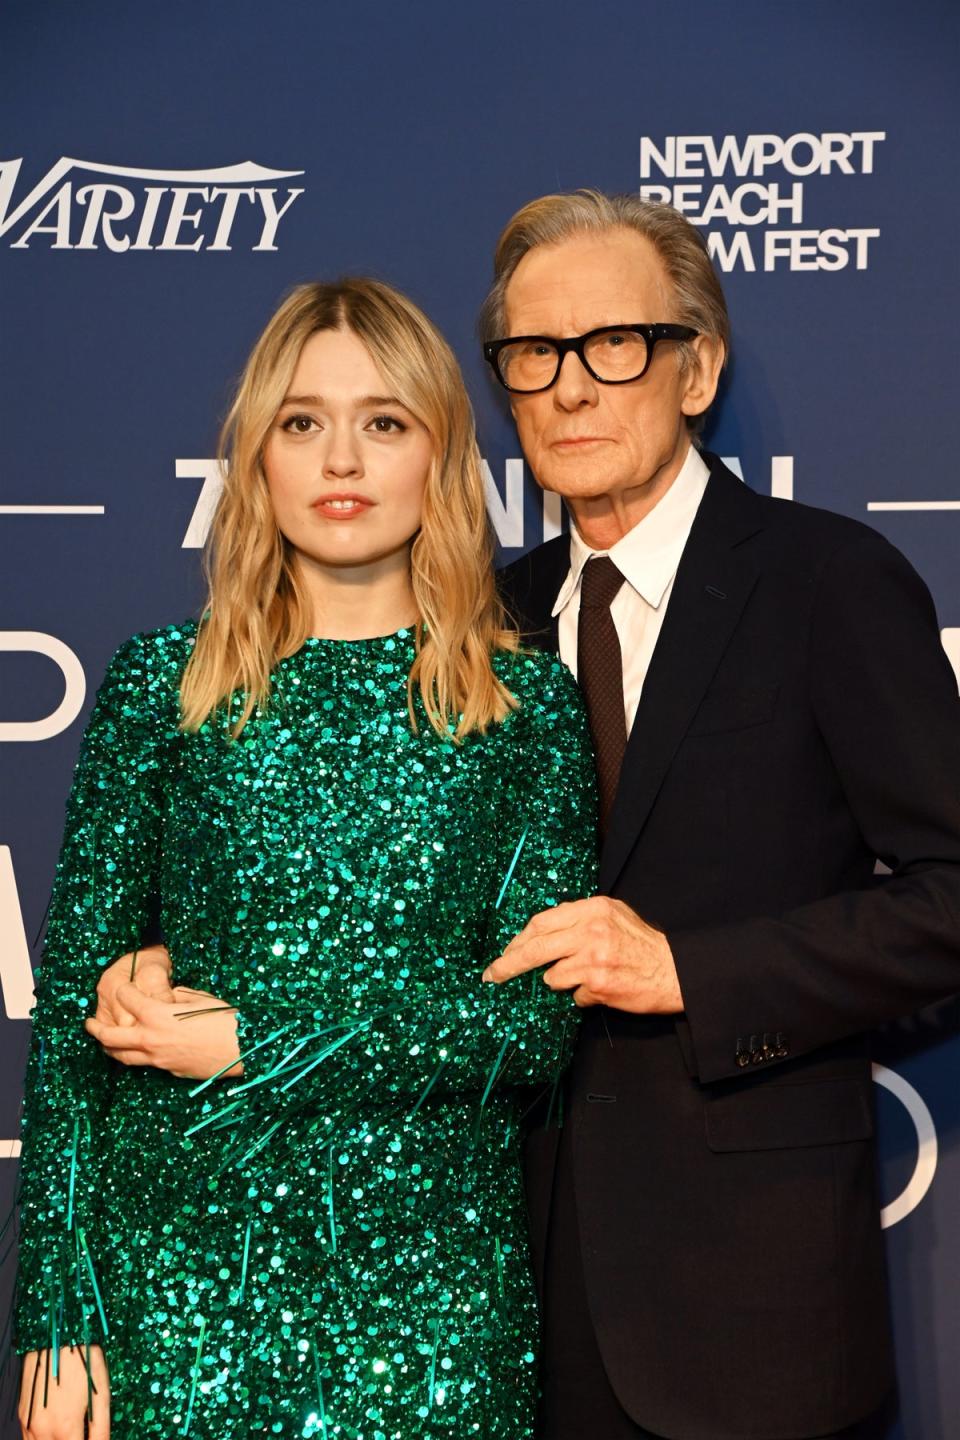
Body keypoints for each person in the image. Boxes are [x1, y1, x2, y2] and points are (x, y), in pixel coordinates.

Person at [14, 277, 597, 1440]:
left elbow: (529, 1028)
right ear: (257, 458)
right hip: (174, 1279)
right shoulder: (159, 689)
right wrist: (56, 1310)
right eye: (301, 421)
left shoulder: (524, 706)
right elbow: (77, 1022)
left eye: (384, 422)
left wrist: (254, 1044)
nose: (342, 458)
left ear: (440, 457)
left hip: (432, 1291)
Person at [479, 191, 960, 1440]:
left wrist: (688, 970)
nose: (571, 388)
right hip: (494, 1314)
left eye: (613, 344)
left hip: (754, 1321)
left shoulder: (829, 584)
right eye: (534, 355)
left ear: (698, 368)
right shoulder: (478, 624)